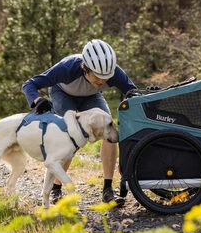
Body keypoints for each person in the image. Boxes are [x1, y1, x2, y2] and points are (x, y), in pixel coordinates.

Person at [22, 39, 136, 206]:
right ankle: (56, 188)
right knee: (68, 136)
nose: (102, 81)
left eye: (106, 77)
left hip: (91, 96)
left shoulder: (113, 72)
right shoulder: (67, 68)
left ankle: (108, 190)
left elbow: (134, 94)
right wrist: (38, 100)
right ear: (85, 67)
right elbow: (29, 84)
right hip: (62, 93)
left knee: (109, 130)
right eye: (97, 76)